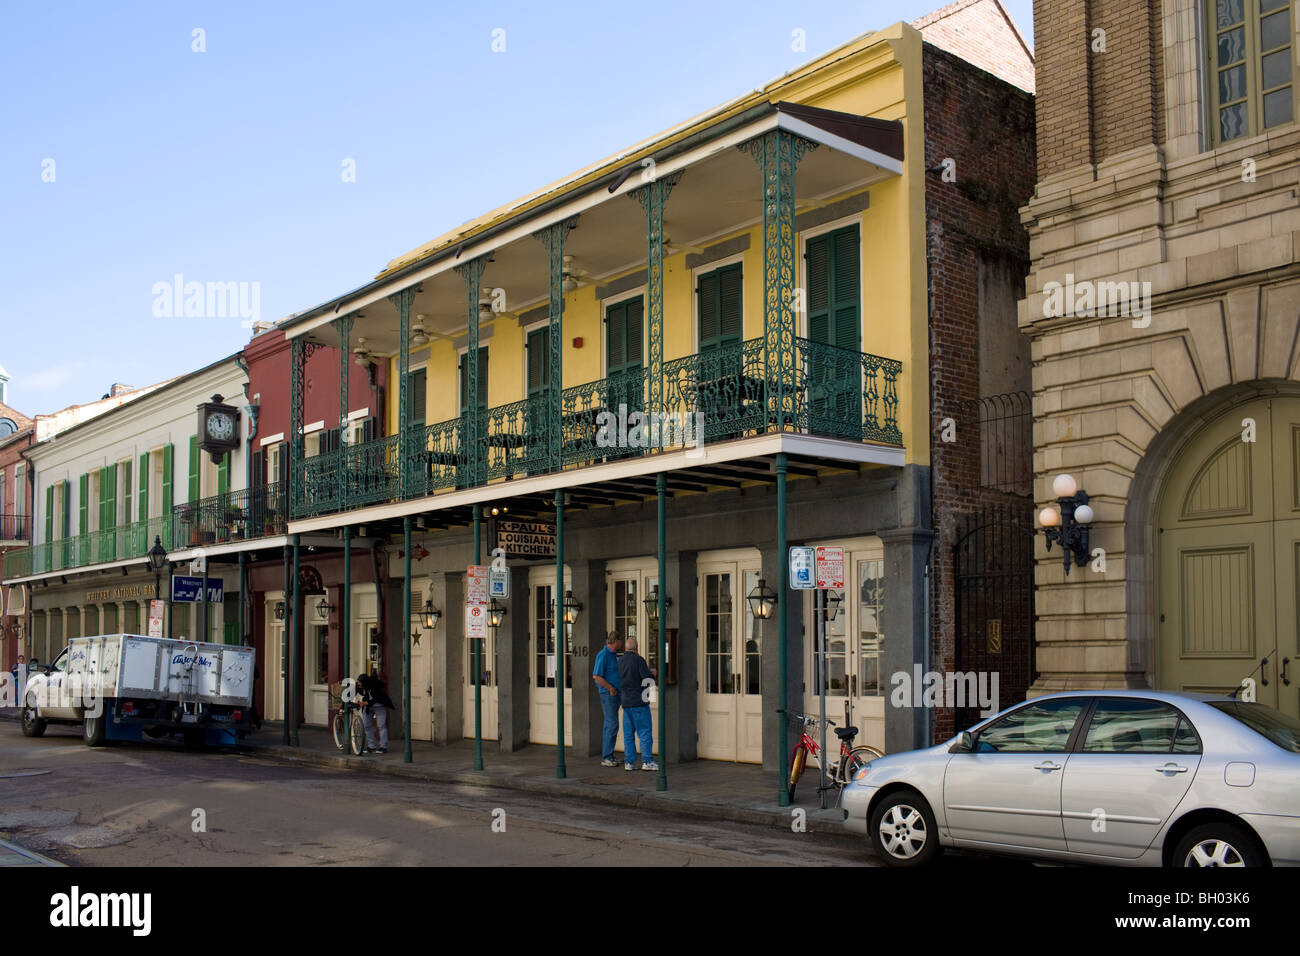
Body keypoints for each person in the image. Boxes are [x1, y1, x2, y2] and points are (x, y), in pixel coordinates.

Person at [618, 637, 657, 772]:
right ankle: (647, 761)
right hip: (639, 702)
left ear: (626, 648)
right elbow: (647, 679)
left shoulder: (620, 661)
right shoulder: (639, 660)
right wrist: (653, 675)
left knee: (628, 734)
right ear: (636, 648)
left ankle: (629, 762)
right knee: (644, 732)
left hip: (626, 703)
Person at [592, 633, 624, 767]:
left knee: (611, 724)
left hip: (616, 694)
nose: (621, 643)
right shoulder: (603, 655)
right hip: (608, 694)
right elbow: (596, 676)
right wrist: (610, 688)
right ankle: (606, 757)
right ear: (615, 641)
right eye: (620, 641)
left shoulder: (614, 655)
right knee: (611, 724)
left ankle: (609, 755)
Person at [356, 672, 394, 754]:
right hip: (369, 707)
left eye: (359, 682)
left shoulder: (374, 686)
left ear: (364, 682)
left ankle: (383, 747)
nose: (358, 684)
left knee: (381, 725)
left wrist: (364, 703)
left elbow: (376, 699)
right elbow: (352, 693)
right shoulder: (360, 686)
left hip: (379, 705)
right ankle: (371, 746)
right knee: (366, 725)